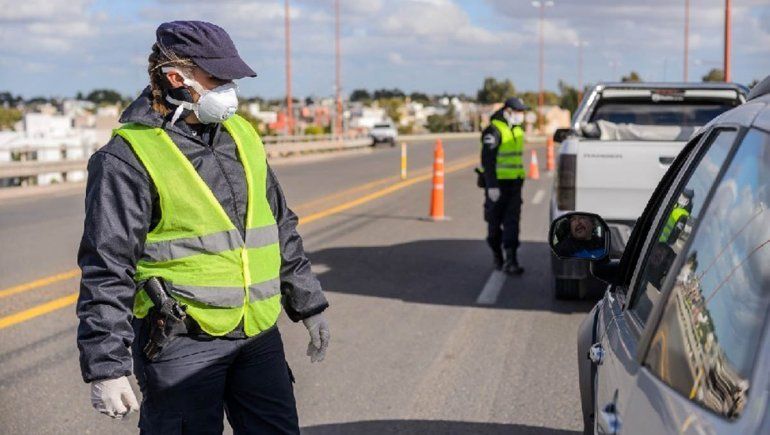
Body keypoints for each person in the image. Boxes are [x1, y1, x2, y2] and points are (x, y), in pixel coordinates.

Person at [76, 21, 330, 434]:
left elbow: (279, 224)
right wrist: (106, 364)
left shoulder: (243, 134)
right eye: (218, 78)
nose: (229, 88)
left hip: (257, 334)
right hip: (180, 341)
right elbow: (108, 266)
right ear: (176, 78)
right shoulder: (128, 157)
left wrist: (309, 304)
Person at [479, 97, 529, 274]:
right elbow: (488, 160)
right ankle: (497, 255)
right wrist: (491, 186)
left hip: (514, 185)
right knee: (494, 226)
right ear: (508, 111)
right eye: (518, 112)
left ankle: (511, 260)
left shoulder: (517, 129)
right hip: (497, 186)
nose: (521, 115)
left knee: (512, 223)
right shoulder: (493, 131)